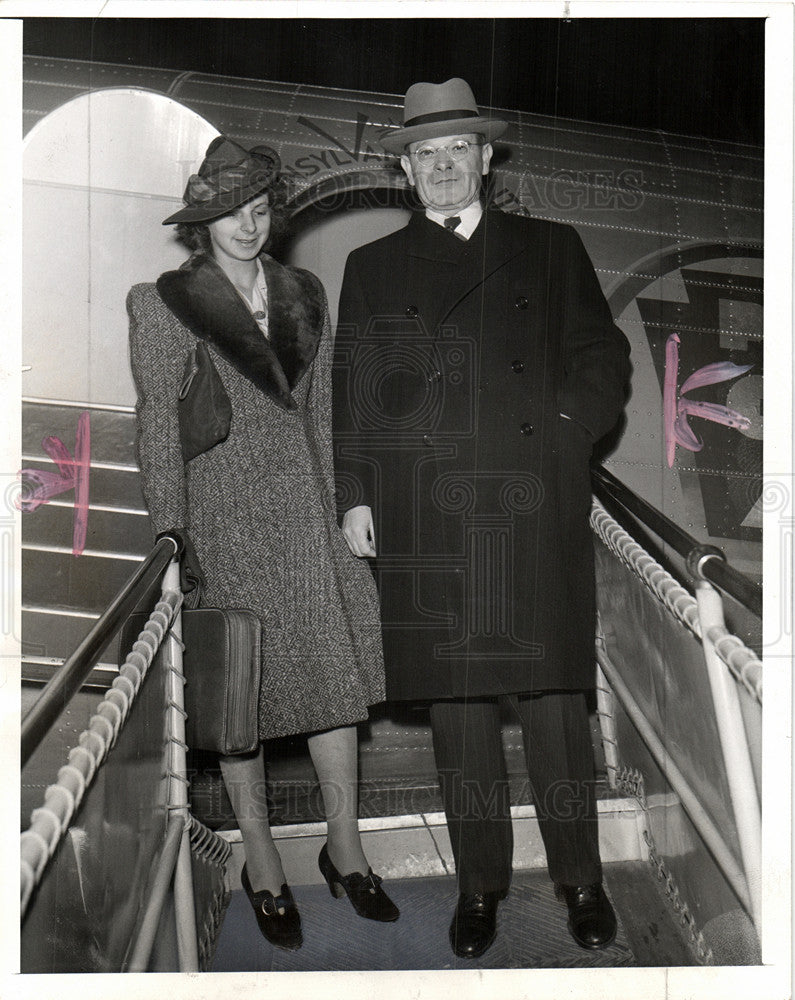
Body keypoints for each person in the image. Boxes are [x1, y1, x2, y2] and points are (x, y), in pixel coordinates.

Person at [333, 79, 631, 959]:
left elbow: (600, 356)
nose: (443, 165)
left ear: (487, 157)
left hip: (532, 502)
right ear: (405, 168)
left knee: (553, 711)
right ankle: (479, 888)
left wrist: (567, 437)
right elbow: (355, 396)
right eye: (426, 153)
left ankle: (580, 879)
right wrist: (355, 492)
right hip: (429, 511)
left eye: (458, 148)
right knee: (460, 720)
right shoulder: (372, 267)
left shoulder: (549, 246)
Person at [128, 136, 399, 951]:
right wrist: (173, 534)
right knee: (239, 695)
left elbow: (323, 414)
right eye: (228, 214)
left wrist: (344, 502)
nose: (247, 227)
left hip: (308, 516)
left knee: (331, 685)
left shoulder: (303, 293)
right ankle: (259, 860)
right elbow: (156, 428)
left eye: (258, 210)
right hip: (223, 516)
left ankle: (344, 846)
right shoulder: (163, 300)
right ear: (200, 221)